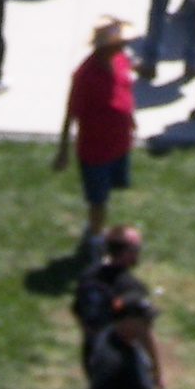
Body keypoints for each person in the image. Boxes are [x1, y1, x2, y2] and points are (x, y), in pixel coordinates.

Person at [53, 18, 139, 238]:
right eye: (119, 42)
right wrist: (63, 151)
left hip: (119, 143)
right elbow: (71, 114)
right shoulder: (85, 76)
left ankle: (95, 227)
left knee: (110, 190)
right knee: (97, 200)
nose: (124, 46)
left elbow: (125, 89)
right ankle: (95, 238)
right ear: (105, 46)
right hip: (96, 150)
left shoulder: (121, 60)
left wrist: (131, 118)